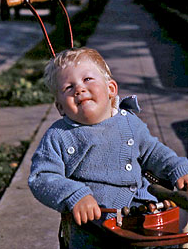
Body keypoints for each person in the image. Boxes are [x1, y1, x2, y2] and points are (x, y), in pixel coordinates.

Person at [28, 47, 188, 249]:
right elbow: (41, 176)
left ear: (111, 88)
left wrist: (177, 168)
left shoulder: (129, 122)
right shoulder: (59, 135)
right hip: (96, 228)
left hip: (144, 218)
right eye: (68, 87)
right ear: (60, 107)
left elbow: (153, 151)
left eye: (87, 79)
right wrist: (74, 195)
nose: (79, 89)